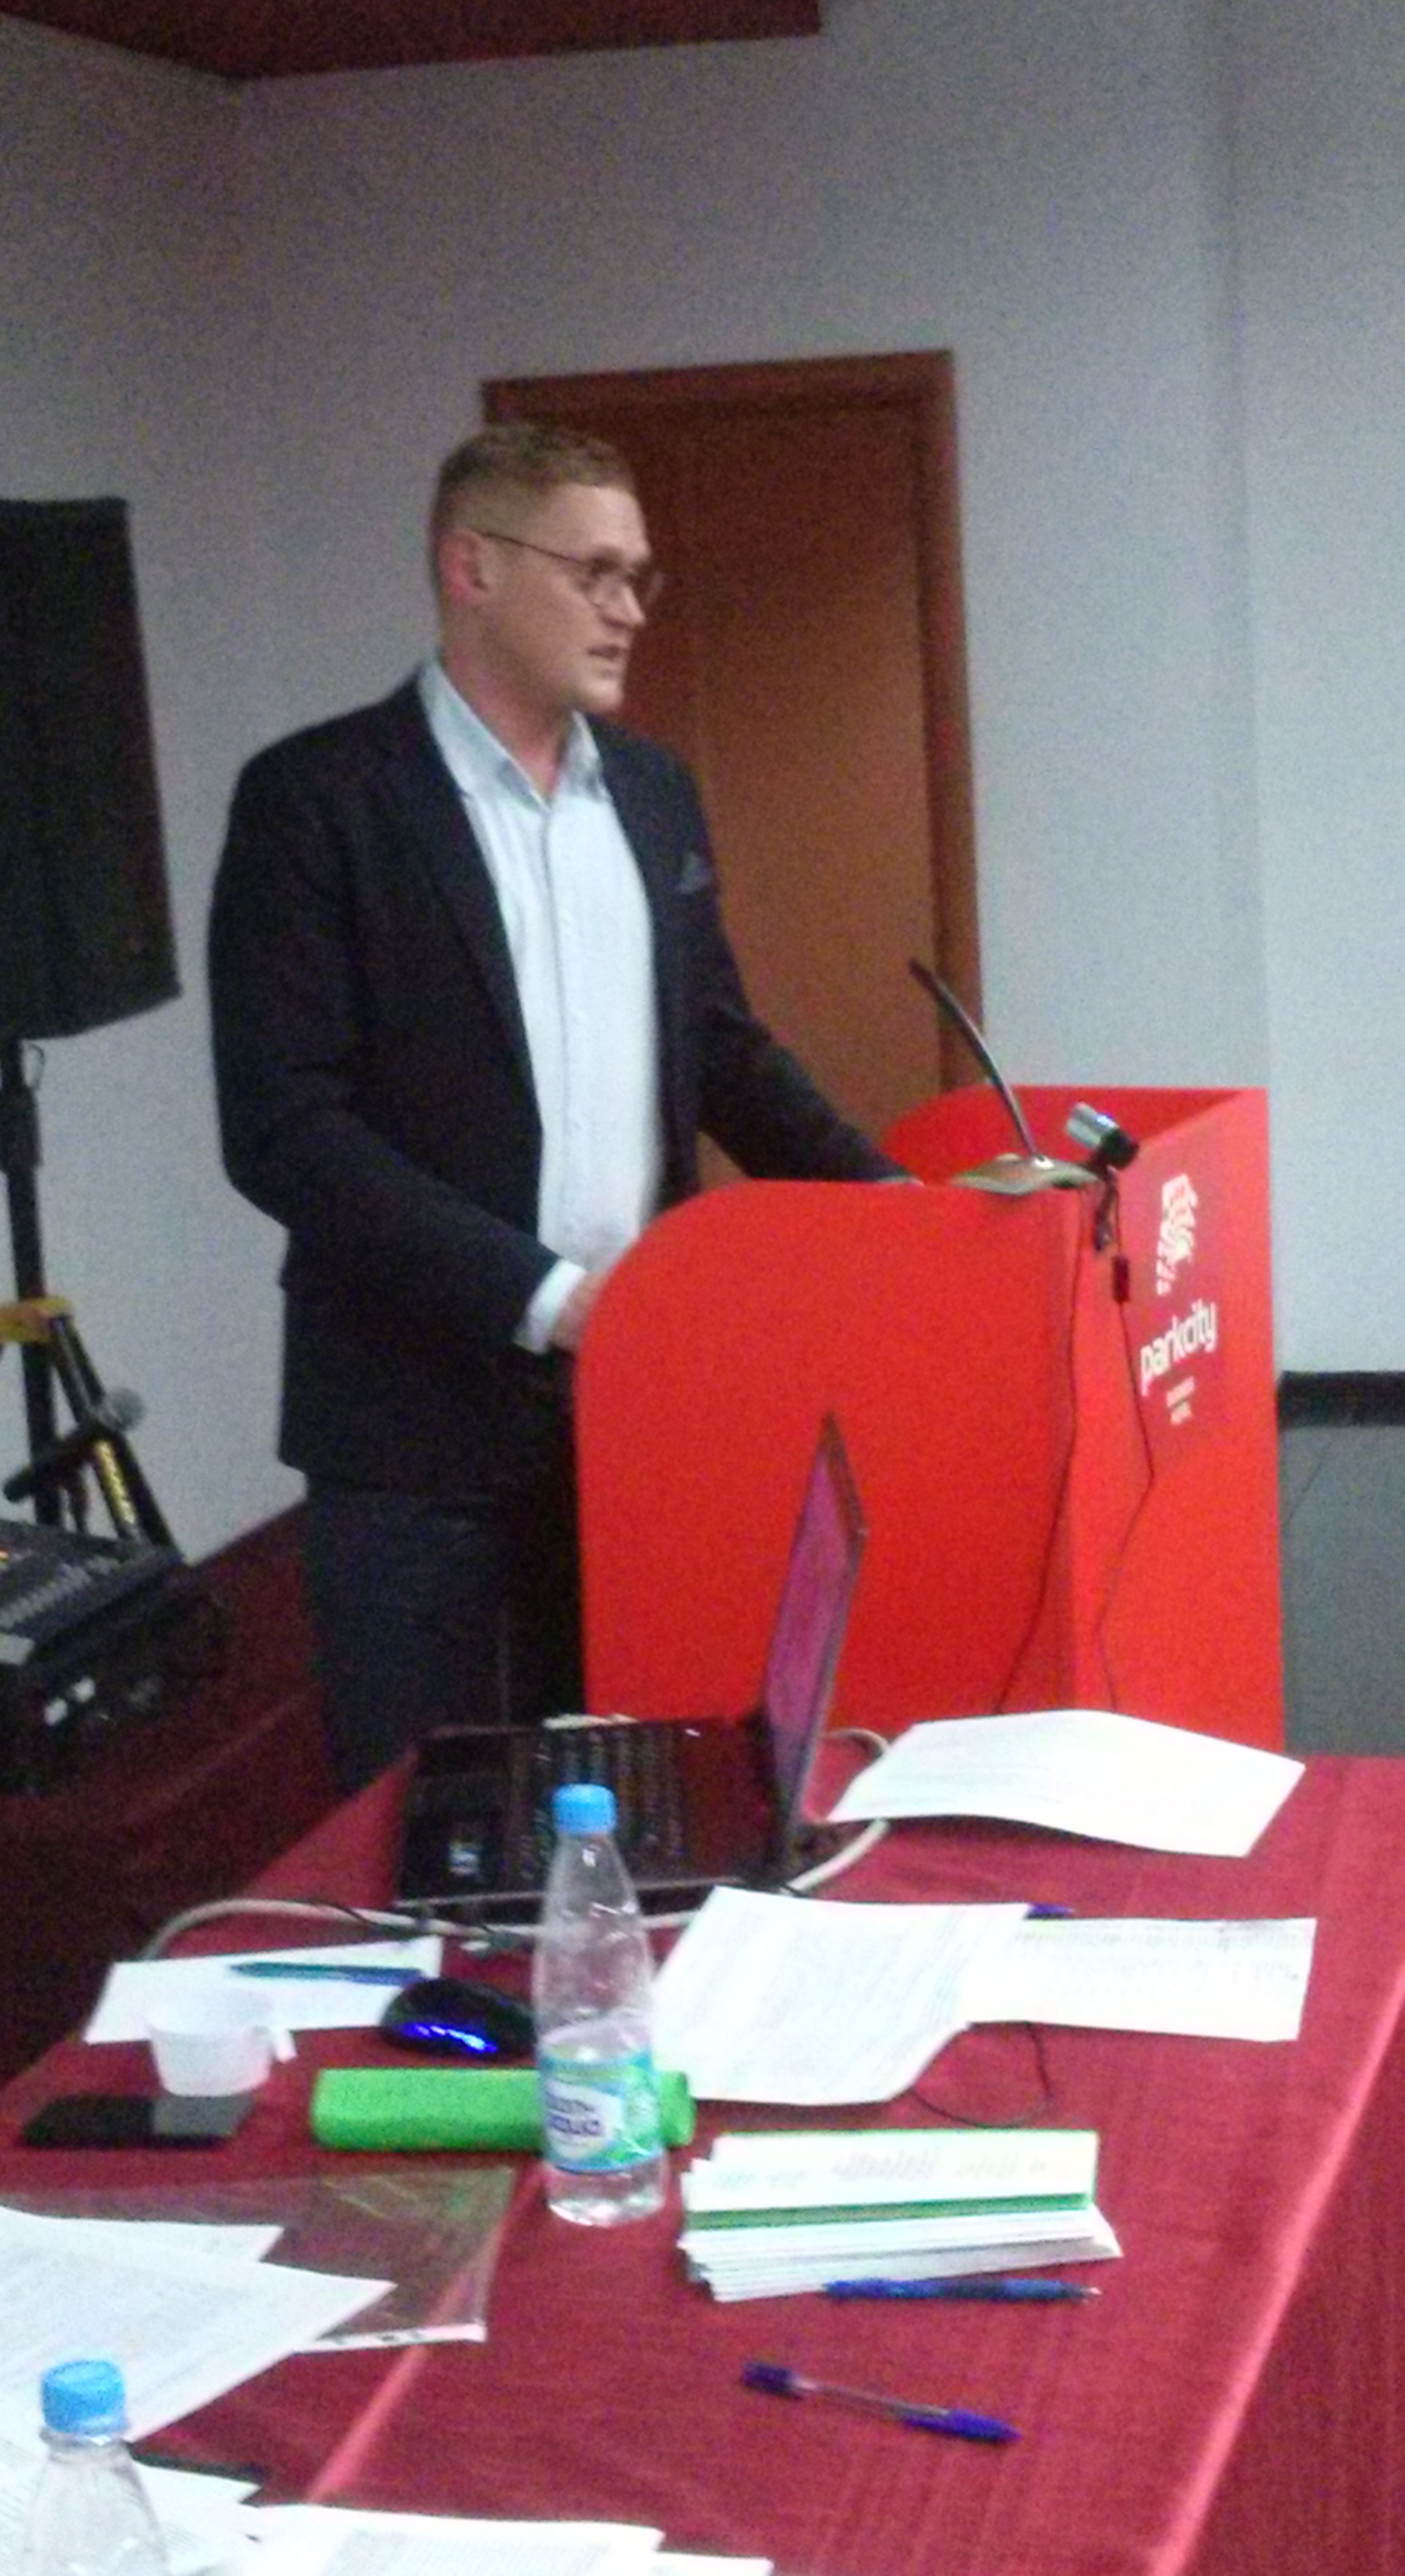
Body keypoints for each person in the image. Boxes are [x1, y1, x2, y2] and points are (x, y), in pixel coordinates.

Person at [209, 423, 900, 1790]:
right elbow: (285, 1128)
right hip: (413, 1428)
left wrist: (900, 1211)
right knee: (436, 1822)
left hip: (640, 1411)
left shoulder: (650, 792)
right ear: (471, 566)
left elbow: (721, 1051)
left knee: (638, 1796)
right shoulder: (318, 800)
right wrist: (546, 1297)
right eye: (595, 573)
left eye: (639, 576)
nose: (629, 610)